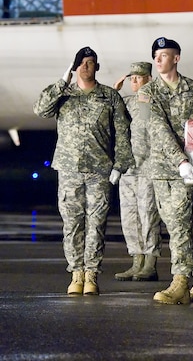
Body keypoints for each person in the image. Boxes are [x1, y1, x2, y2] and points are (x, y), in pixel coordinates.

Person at [33, 46, 133, 295]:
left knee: (96, 224)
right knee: (72, 224)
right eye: (81, 63)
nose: (86, 66)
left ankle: (92, 275)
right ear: (75, 67)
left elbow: (122, 133)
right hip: (69, 170)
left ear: (97, 67)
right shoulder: (64, 95)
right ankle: (76, 274)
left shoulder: (110, 96)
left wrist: (120, 165)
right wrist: (62, 80)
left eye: (90, 62)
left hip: (100, 170)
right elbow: (41, 109)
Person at [137, 37, 193, 305]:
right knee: (175, 226)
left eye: (164, 55)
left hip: (190, 169)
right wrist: (179, 160)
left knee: (180, 225)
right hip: (164, 168)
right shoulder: (147, 92)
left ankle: (180, 282)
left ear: (176, 58)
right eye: (155, 55)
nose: (158, 60)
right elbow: (156, 128)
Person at [113, 61, 163, 282]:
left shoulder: (154, 100)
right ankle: (136, 260)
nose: (134, 81)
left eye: (139, 77)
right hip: (128, 168)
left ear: (149, 79)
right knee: (130, 216)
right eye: (131, 78)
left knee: (148, 215)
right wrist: (114, 93)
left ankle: (150, 263)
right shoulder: (125, 102)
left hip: (147, 167)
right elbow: (107, 113)